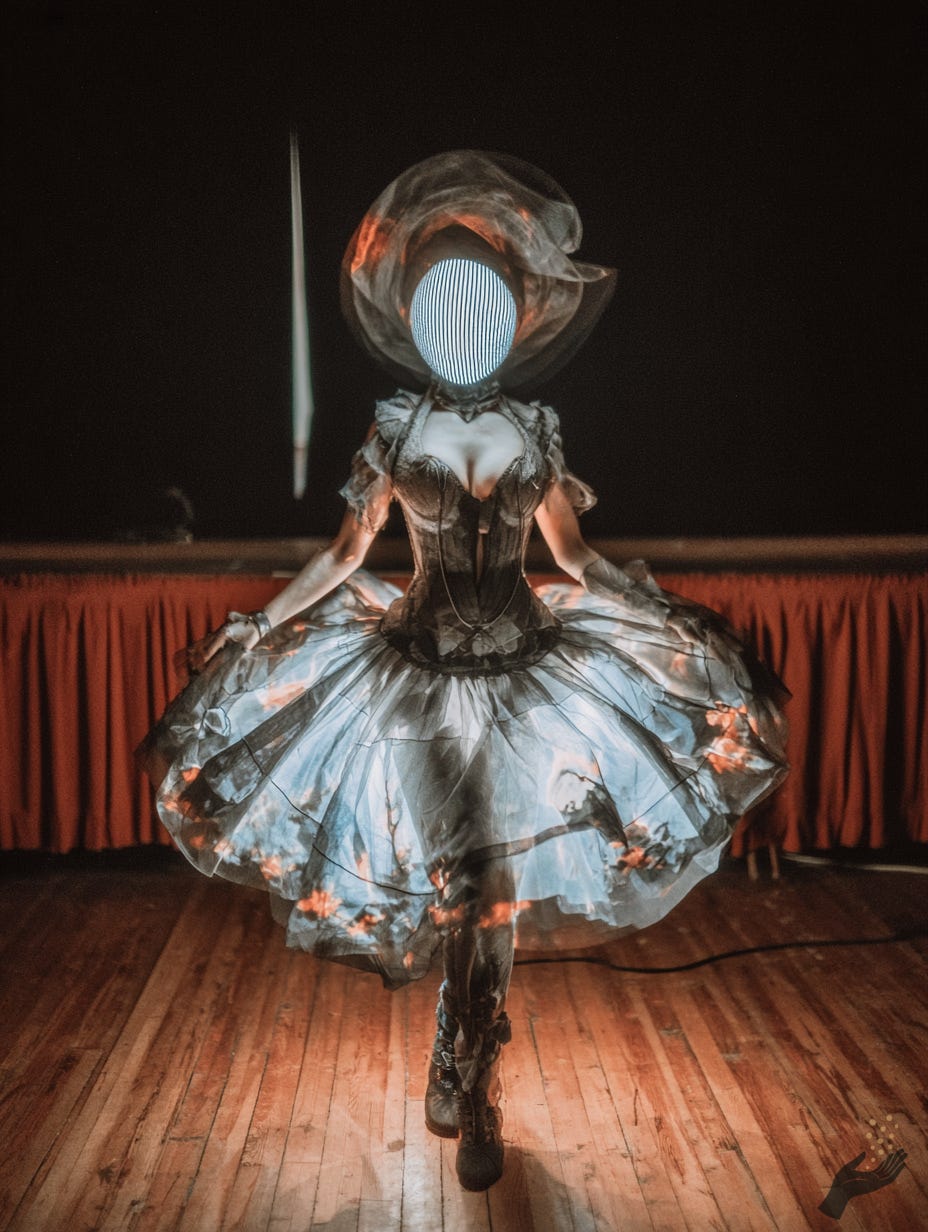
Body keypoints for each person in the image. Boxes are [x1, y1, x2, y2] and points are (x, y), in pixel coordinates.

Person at [136, 149, 789, 1192]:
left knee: (488, 884)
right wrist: (260, 621)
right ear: (421, 312)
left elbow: (571, 560)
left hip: (532, 668)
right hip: (418, 674)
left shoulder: (536, 428)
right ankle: (467, 1052)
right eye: (444, 293)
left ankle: (468, 1061)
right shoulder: (396, 428)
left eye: (478, 293)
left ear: (505, 311)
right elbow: (347, 554)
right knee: (474, 882)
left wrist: (661, 610)